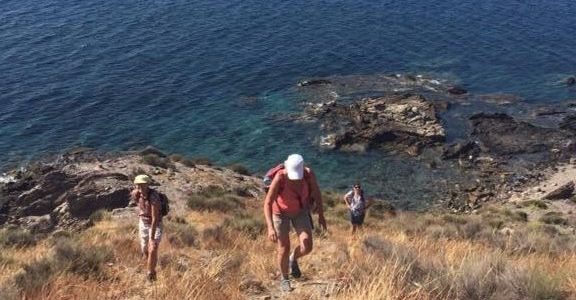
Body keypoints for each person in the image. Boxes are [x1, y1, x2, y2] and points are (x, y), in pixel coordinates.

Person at [263, 154, 327, 292]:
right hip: (280, 214)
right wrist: (270, 227)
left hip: (300, 211)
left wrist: (321, 215)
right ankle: (285, 279)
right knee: (283, 247)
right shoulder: (280, 177)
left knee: (307, 246)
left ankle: (293, 259)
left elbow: (317, 193)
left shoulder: (308, 174)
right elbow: (268, 203)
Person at [131, 174, 163, 282]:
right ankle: (150, 267)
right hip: (143, 223)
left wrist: (152, 238)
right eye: (138, 185)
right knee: (145, 250)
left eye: (143, 185)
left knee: (152, 248)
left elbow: (155, 218)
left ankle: (151, 275)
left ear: (148, 185)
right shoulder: (136, 193)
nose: (140, 187)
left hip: (155, 225)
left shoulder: (153, 196)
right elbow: (137, 202)